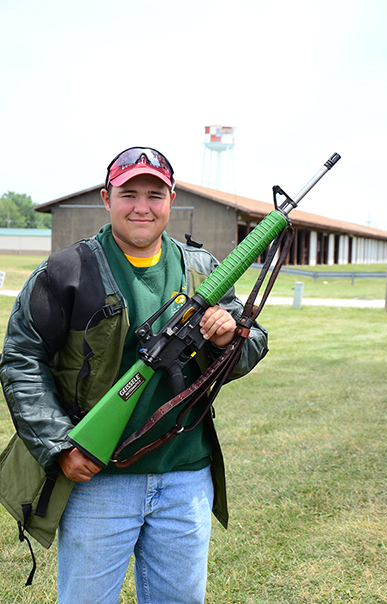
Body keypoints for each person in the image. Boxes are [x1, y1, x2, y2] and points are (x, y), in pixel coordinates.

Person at [0, 146, 268, 603]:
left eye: (154, 194)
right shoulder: (66, 271)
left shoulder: (202, 268)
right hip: (97, 482)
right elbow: (21, 359)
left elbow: (253, 341)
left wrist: (230, 339)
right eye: (129, 193)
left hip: (184, 476)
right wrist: (58, 445)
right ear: (107, 198)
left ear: (171, 199)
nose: (141, 206)